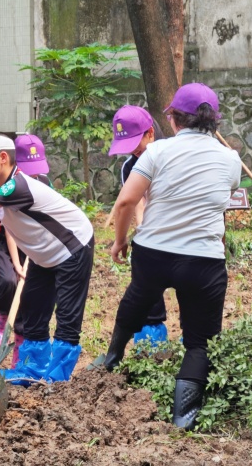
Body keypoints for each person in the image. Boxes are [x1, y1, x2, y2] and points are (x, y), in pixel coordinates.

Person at [98, 83, 240, 430]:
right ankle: (183, 417)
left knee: (136, 298)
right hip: (204, 262)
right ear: (212, 122)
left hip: (154, 254)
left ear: (174, 119)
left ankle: (110, 359)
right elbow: (224, 196)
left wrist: (119, 241)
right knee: (198, 341)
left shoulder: (157, 152)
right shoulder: (230, 158)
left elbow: (128, 201)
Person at [0, 134, 95, 384]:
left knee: (66, 314)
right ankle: (32, 370)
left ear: (3, 158)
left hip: (72, 248)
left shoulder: (16, 186)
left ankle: (56, 380)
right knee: (33, 308)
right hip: (43, 255)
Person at [0, 134, 52, 368]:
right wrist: (16, 263)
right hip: (8, 238)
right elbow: (10, 228)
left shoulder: (42, 182)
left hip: (33, 241)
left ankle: (20, 355)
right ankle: (2, 327)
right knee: (9, 282)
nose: (33, 175)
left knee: (29, 296)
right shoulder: (7, 185)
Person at [108, 106, 169, 347]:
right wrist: (144, 233)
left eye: (136, 142)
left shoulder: (170, 155)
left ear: (150, 133)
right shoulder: (129, 166)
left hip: (178, 227)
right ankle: (151, 337)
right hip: (155, 228)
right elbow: (137, 203)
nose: (134, 150)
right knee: (146, 279)